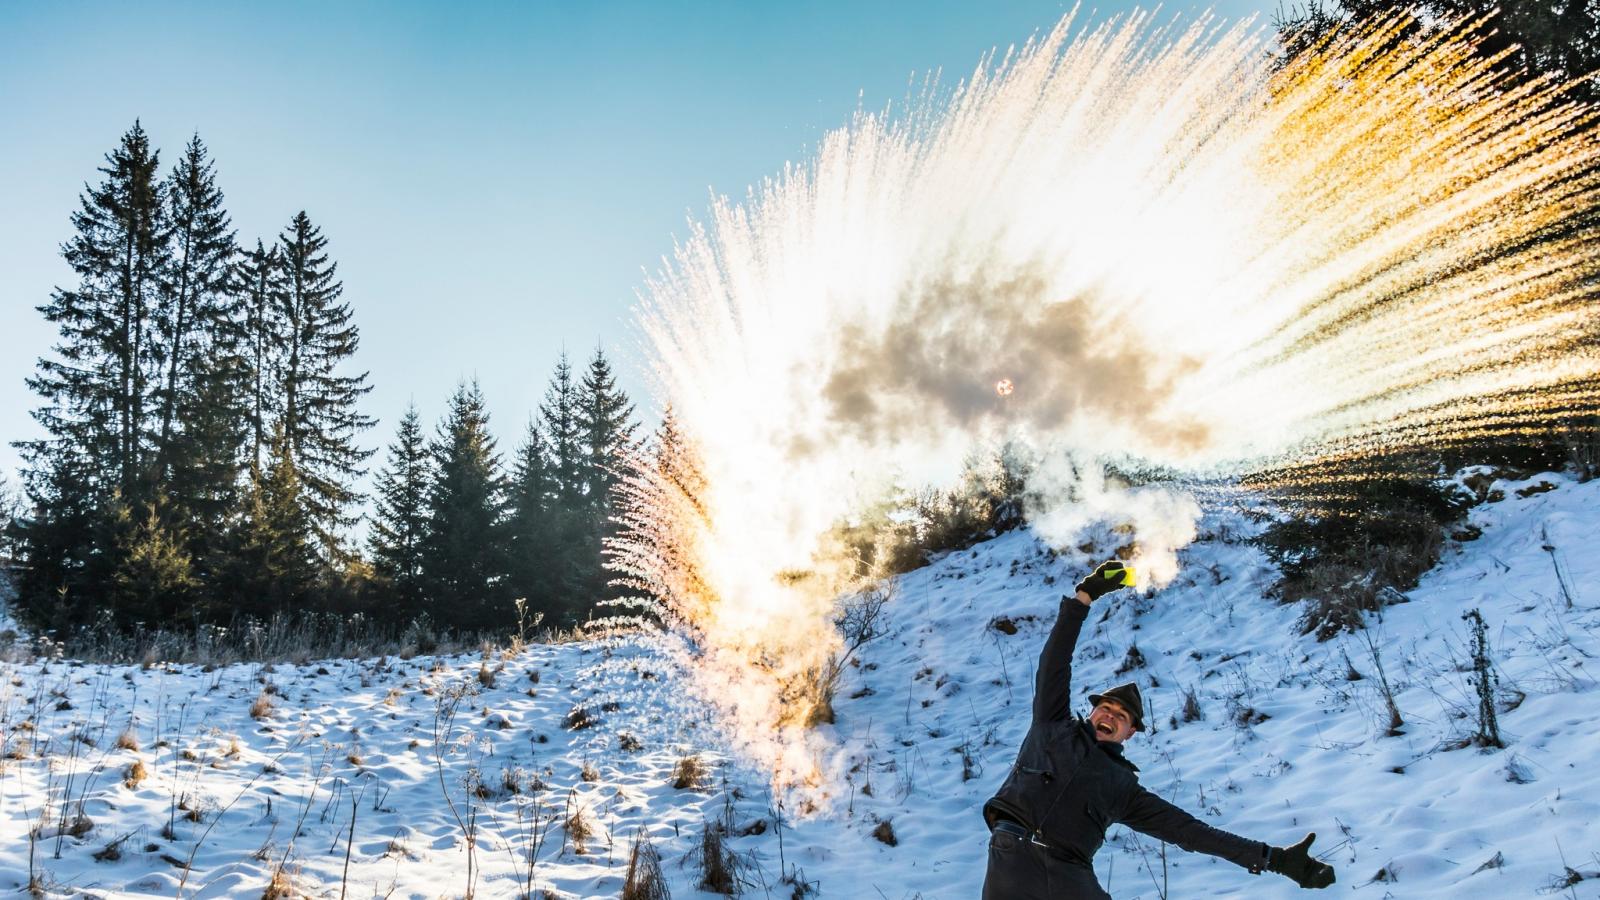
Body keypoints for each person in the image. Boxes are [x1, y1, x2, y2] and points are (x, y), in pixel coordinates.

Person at [981, 561, 1337, 898]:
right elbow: (1054, 662)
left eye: (1121, 716)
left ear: (1130, 732)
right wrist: (1084, 597)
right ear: (1092, 714)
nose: (1110, 715)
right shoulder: (1052, 726)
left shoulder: (1123, 789)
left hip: (1068, 871)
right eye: (1105, 708)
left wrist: (1273, 859)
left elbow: (1190, 832)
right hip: (1012, 854)